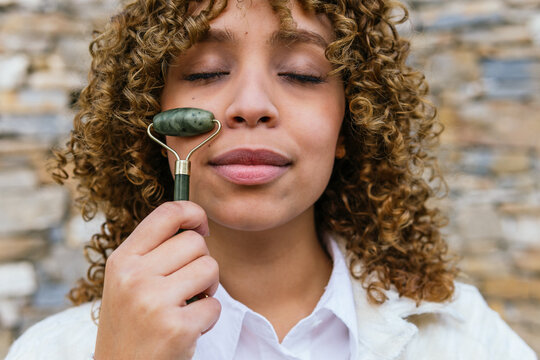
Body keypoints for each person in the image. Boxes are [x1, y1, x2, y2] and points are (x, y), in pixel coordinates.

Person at [6, 0, 537, 359]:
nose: (251, 106)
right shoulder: (56, 350)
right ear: (149, 113)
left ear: (351, 121)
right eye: (207, 71)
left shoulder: (464, 336)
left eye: (302, 74)